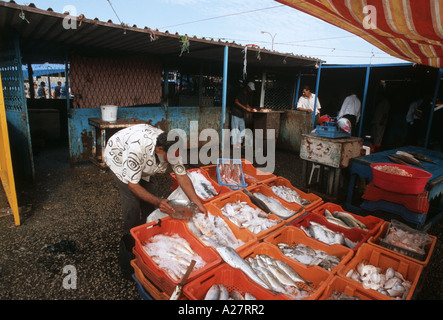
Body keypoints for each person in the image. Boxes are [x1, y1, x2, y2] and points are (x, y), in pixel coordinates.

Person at [104, 124, 207, 279]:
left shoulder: (172, 148)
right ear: (160, 149)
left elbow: (181, 175)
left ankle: (149, 238)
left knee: (151, 207)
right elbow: (133, 186)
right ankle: (130, 248)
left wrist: (196, 201)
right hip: (119, 158)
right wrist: (159, 201)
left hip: (145, 162)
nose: (174, 159)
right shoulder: (136, 149)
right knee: (132, 207)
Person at [231, 81, 256, 149]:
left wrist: (251, 108)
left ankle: (239, 143)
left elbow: (246, 103)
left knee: (242, 130)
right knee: (235, 129)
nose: (251, 90)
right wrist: (245, 108)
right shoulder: (240, 92)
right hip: (236, 113)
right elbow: (236, 101)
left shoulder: (247, 94)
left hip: (241, 114)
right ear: (247, 87)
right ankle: (234, 145)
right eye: (250, 89)